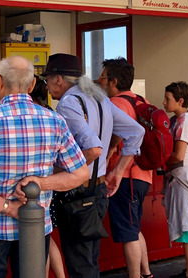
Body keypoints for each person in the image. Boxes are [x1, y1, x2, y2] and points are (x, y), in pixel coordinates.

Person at [0, 56, 90, 278]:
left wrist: (10, 208)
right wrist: (42, 183)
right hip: (36, 227)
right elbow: (81, 173)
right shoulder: (54, 121)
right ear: (32, 85)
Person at [42, 53, 145, 278]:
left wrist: (56, 173)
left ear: (58, 79)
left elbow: (92, 149)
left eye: (47, 80)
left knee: (80, 264)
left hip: (77, 193)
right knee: (90, 260)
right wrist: (117, 171)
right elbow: (137, 132)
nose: (47, 86)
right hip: (98, 190)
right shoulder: (100, 99)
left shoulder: (69, 103)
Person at [98, 58, 153, 278]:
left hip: (124, 177)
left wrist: (109, 153)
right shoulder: (140, 100)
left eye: (103, 77)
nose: (100, 81)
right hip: (142, 175)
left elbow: (117, 137)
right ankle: (146, 273)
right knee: (134, 227)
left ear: (114, 81)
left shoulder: (116, 104)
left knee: (128, 232)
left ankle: (134, 276)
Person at [162, 81, 188, 278]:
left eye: (168, 99)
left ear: (180, 101)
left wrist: (160, 161)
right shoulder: (179, 120)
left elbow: (178, 155)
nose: (164, 102)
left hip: (182, 176)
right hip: (181, 176)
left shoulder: (183, 122)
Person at [29, 75, 66, 278]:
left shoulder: (30, 116)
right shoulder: (51, 114)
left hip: (36, 186)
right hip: (51, 184)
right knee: (46, 236)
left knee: (40, 242)